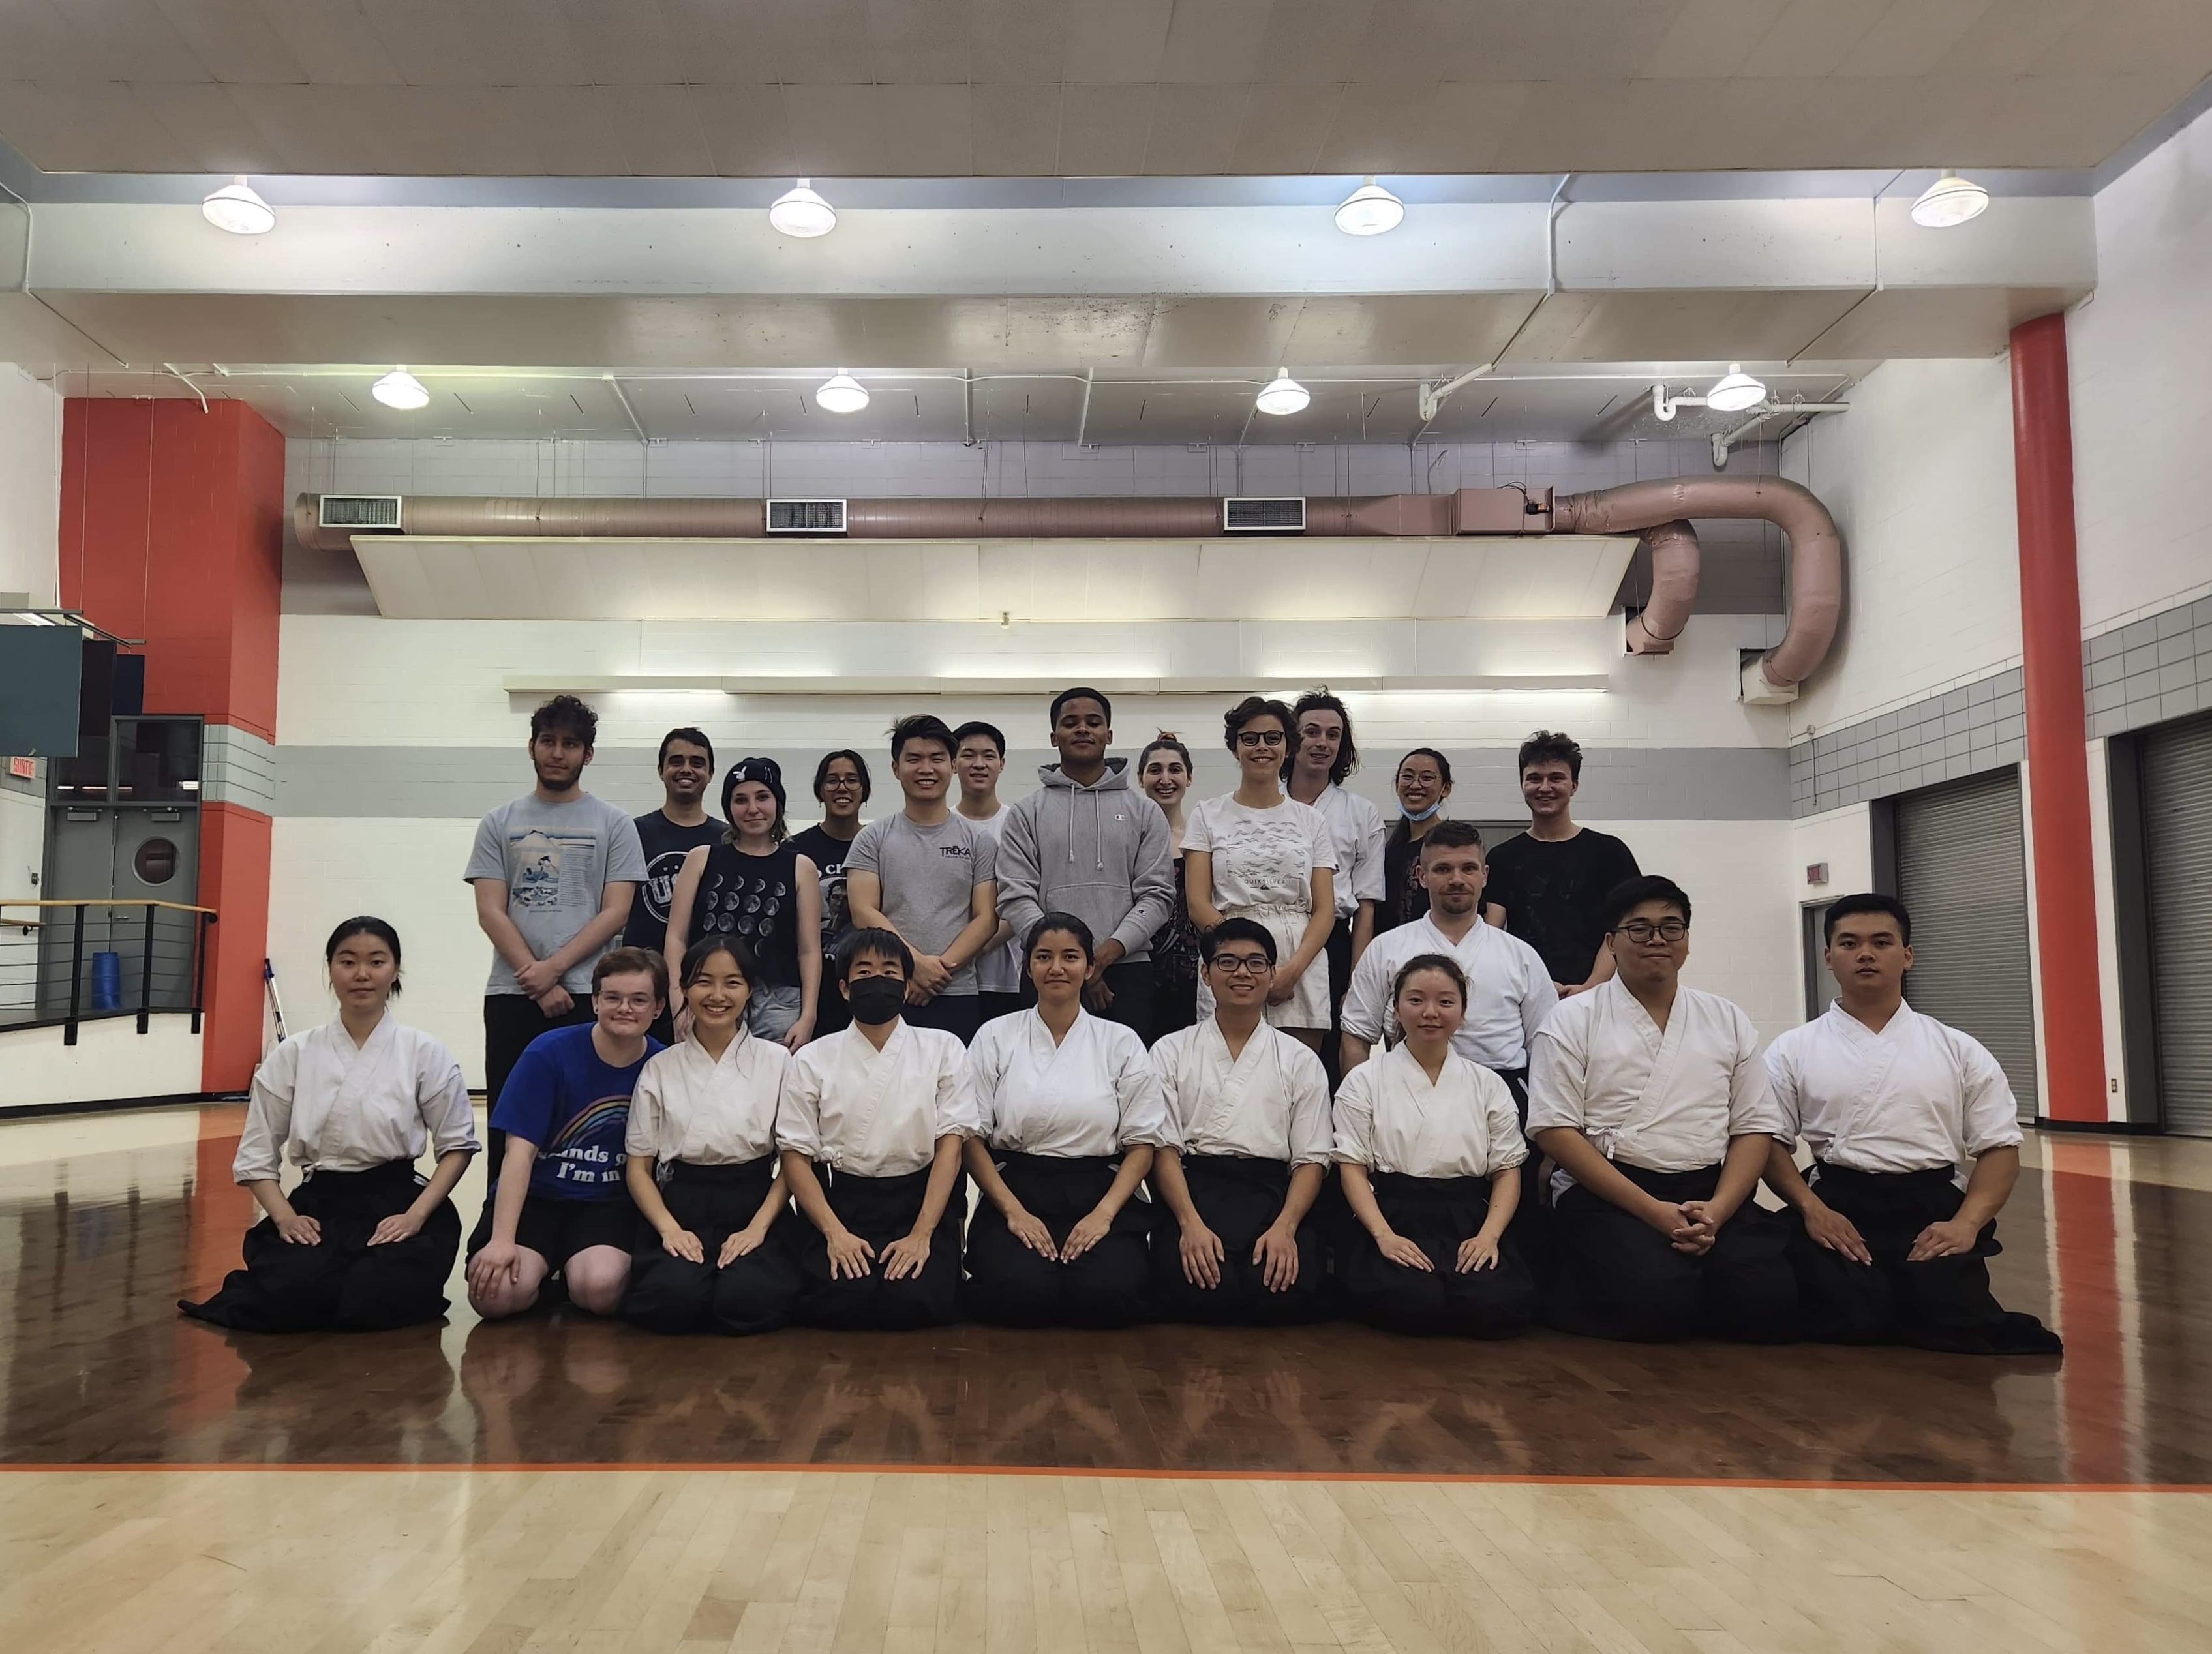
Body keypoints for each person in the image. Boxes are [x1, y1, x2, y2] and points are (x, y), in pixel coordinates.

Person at [1762, 894, 2063, 1356]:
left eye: (1881, 942)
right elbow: (1767, 1143)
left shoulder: (1957, 1048)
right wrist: (1811, 1209)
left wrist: (1965, 1224)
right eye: (1849, 943)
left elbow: (1999, 1148)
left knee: (1953, 1318)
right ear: (1828, 957)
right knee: (1851, 1315)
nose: (1865, 954)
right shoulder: (1792, 1049)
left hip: (1931, 1204)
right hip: (1839, 1202)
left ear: (1907, 956)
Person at [1526, 877, 1800, 1343]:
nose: (1656, 939)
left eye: (1671, 928)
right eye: (1639, 929)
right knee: (1656, 1300)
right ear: (1611, 943)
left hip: (1708, 1191)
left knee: (1769, 1301)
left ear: (1686, 940)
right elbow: (1554, 1129)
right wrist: (1654, 1212)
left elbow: (1754, 1126)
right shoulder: (1572, 1018)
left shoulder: (1726, 1018)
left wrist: (1717, 1211)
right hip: (1610, 1192)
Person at [179, 917, 477, 1332]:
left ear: (395, 971)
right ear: (331, 970)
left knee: (376, 1289)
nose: (362, 974)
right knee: (292, 1290)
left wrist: (414, 1217)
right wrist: (285, 1218)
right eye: (347, 962)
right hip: (320, 1205)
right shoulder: (295, 1053)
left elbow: (457, 1146)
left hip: (397, 1201)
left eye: (376, 962)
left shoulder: (425, 1053)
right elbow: (256, 1156)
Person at [962, 914, 1172, 1327]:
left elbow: (1142, 1143)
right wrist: (1014, 1212)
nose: (1056, 968)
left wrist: (1104, 1216)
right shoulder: (995, 1036)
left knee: (1107, 1294)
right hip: (1017, 1185)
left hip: (1099, 1188)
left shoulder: (1121, 1042)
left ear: (1090, 967)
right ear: (1028, 967)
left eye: (1070, 957)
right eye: (1044, 957)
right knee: (1020, 1293)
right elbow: (971, 1137)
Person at [466, 694, 646, 1164]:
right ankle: (502, 1210)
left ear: (588, 754)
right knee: (510, 1117)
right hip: (512, 993)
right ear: (532, 747)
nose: (557, 753)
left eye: (570, 744)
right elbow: (491, 910)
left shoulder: (615, 824)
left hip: (587, 995)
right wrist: (536, 977)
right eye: (548, 741)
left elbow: (616, 912)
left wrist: (554, 971)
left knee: (579, 1119)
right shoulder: (499, 822)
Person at [776, 928, 979, 1329]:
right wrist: (835, 1234)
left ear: (906, 987)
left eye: (889, 972)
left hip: (919, 1200)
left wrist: (921, 1235)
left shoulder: (943, 1048)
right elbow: (795, 1155)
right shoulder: (813, 1058)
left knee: (918, 1302)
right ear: (844, 988)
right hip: (844, 1203)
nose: (877, 981)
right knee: (838, 1301)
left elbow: (952, 1146)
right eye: (864, 972)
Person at [1333, 955, 1536, 1340]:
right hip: (1393, 1214)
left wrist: (1489, 1237)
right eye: (1416, 1000)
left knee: (1494, 1305)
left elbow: (1507, 1170)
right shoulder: (1364, 1080)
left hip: (1469, 1218)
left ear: (1462, 1012)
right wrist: (1383, 1236)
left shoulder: (1488, 1084)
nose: (1430, 1012)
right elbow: (1352, 1167)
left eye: (1445, 1001)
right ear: (1396, 1009)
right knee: (1411, 1302)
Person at [1147, 917, 1333, 1325]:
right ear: (1206, 974)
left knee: (1283, 1294)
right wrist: (1189, 1224)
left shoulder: (1300, 1059)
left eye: (1256, 963)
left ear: (1272, 974)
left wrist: (1286, 1228)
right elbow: (1163, 1149)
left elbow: (1311, 1158)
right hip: (1195, 1192)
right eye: (1227, 962)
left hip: (1271, 1197)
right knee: (1195, 1292)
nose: (1242, 973)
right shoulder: (1170, 1051)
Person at [466, 947, 667, 1320]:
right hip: (538, 1198)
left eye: (639, 1000)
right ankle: (542, 1277)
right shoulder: (548, 1053)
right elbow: (518, 1154)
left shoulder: (664, 1065)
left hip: (608, 1203)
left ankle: (572, 1276)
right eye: (613, 997)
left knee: (601, 1291)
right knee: (495, 1296)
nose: (625, 1008)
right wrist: (502, 1240)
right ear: (595, 1001)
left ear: (658, 1008)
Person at [621, 937, 804, 1337]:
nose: (717, 996)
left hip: (755, 1201)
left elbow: (795, 1160)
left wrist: (757, 1229)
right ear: (685, 988)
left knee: (747, 1300)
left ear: (750, 990)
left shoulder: (778, 1061)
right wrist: (669, 1229)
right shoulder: (660, 1067)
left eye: (732, 983)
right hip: (682, 1203)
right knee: (673, 1301)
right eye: (704, 982)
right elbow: (638, 1167)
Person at [995, 687, 1175, 1045]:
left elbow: (1157, 895)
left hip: (1127, 969)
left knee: (1122, 1073)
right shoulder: (1026, 813)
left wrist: (1102, 956)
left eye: (1093, 722)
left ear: (1109, 734)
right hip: (1048, 972)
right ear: (1054, 737)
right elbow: (1015, 896)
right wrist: (1067, 958)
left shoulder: (1145, 812)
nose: (1082, 729)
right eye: (1070, 723)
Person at [1341, 823, 1553, 1099]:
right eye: (1443, 869)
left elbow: (1546, 1044)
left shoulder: (1521, 956)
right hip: (1407, 1091)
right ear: (1422, 876)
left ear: (1485, 876)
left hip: (1501, 1091)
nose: (1457, 879)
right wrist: (1362, 1104)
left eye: (1469, 868)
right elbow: (1356, 1036)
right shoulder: (1386, 948)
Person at [1183, 696, 1336, 1048]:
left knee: (1296, 1068)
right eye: (1250, 738)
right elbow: (1197, 903)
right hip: (1228, 950)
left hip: (1299, 955)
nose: (1262, 747)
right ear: (1235, 748)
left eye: (1273, 738)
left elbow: (1325, 910)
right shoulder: (1207, 815)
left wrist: (1291, 971)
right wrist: (1244, 958)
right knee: (1223, 1064)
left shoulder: (1312, 820)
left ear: (1288, 747)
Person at [845, 715, 999, 1042]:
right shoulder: (872, 838)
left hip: (957, 992)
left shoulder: (979, 841)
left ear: (953, 766)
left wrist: (937, 972)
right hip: (889, 990)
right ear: (895, 768)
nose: (926, 769)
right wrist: (913, 965)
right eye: (914, 759)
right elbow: (863, 911)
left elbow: (986, 918)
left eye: (937, 759)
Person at [665, 757, 821, 1049]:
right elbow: (676, 937)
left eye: (762, 797)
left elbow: (809, 951)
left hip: (777, 1002)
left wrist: (808, 1015)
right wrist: (678, 1001)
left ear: (778, 804)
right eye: (740, 800)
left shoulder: (801, 867)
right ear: (729, 808)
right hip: (710, 994)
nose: (752, 809)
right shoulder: (701, 858)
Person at [1482, 731, 1639, 997]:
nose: (1545, 788)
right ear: (1522, 784)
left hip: (1598, 997)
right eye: (1535, 778)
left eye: (1556, 778)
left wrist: (1591, 987)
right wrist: (1535, 987)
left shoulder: (1610, 852)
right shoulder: (1502, 858)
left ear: (1574, 785)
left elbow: (1626, 927)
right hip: (1524, 995)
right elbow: (1492, 934)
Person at [1284, 689, 1386, 1073]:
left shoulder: (1361, 812)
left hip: (1334, 943)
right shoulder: (1264, 804)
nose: (1322, 743)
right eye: (1311, 732)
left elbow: (1367, 903)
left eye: (1333, 735)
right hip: (1271, 933)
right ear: (1292, 739)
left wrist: (1356, 980)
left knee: (1326, 1056)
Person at [626, 728, 724, 1041]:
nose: (687, 769)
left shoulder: (726, 839)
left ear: (710, 773)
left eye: (697, 762)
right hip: (642, 979)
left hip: (707, 982)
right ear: (661, 770)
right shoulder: (632, 832)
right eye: (677, 761)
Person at [793, 749, 871, 1037]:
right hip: (810, 987)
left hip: (865, 982)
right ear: (820, 791)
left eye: (852, 780)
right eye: (832, 780)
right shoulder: (795, 849)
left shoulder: (879, 844)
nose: (842, 788)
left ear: (864, 791)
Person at [953, 719, 1025, 1025]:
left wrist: (972, 950)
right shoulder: (942, 825)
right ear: (953, 764)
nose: (979, 764)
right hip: (951, 979)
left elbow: (1024, 897)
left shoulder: (1020, 823)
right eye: (968, 755)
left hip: (1008, 978)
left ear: (1002, 763)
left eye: (989, 755)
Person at [1137, 733, 1202, 1037]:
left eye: (1175, 770)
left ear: (1189, 777)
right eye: (1155, 770)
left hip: (1193, 973)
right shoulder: (1129, 839)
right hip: (1138, 969)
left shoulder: (1201, 840)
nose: (1165, 779)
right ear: (1140, 779)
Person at [1380, 748, 1453, 933]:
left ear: (1446, 789)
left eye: (1427, 778)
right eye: (1407, 777)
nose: (1415, 785)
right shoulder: (1388, 849)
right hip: (1388, 947)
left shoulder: (1453, 845)